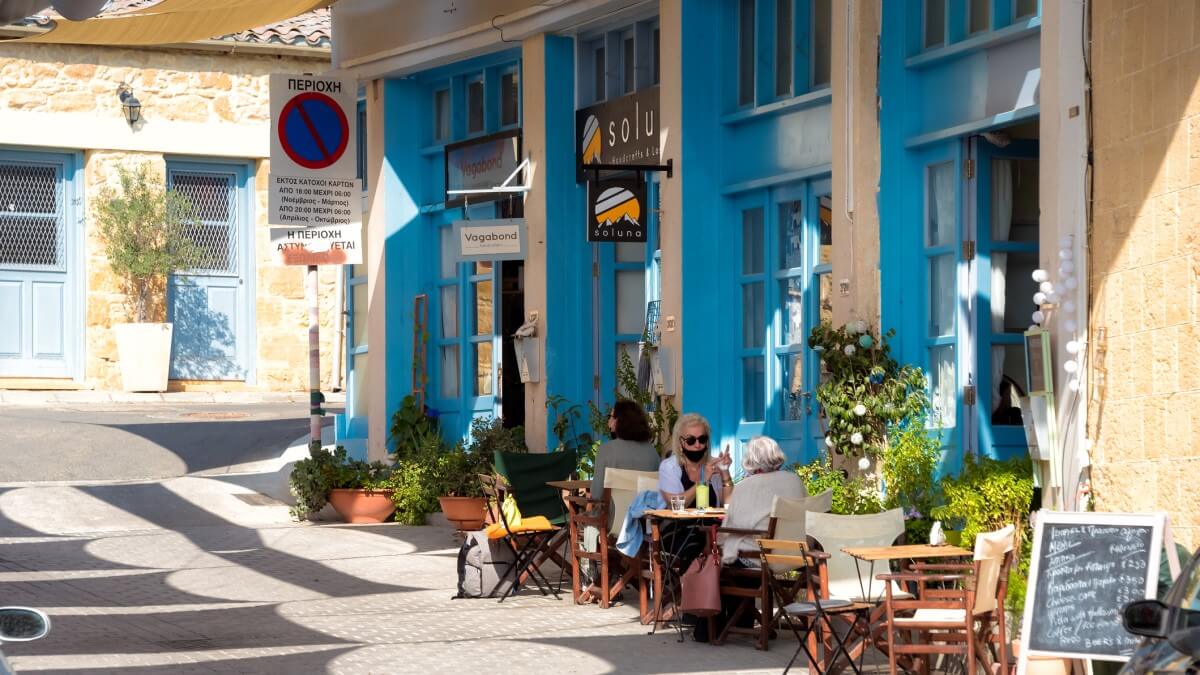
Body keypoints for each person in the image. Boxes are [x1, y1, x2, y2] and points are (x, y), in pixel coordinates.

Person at [718, 435, 806, 566]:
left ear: (750, 459)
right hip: (796, 553)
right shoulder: (795, 480)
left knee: (715, 545)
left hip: (760, 556)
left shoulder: (747, 485)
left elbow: (732, 522)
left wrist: (724, 471)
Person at [590, 399, 662, 513]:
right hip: (643, 521)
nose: (609, 421)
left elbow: (596, 494)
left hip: (611, 522)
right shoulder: (652, 452)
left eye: (611, 416)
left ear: (618, 421)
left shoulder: (605, 450)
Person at [658, 412, 731, 508]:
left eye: (702, 439)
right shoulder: (669, 466)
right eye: (691, 440)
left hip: (711, 522)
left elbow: (728, 506)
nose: (697, 445)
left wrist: (725, 472)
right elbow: (674, 506)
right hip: (679, 522)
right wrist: (702, 482)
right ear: (680, 443)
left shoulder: (712, 465)